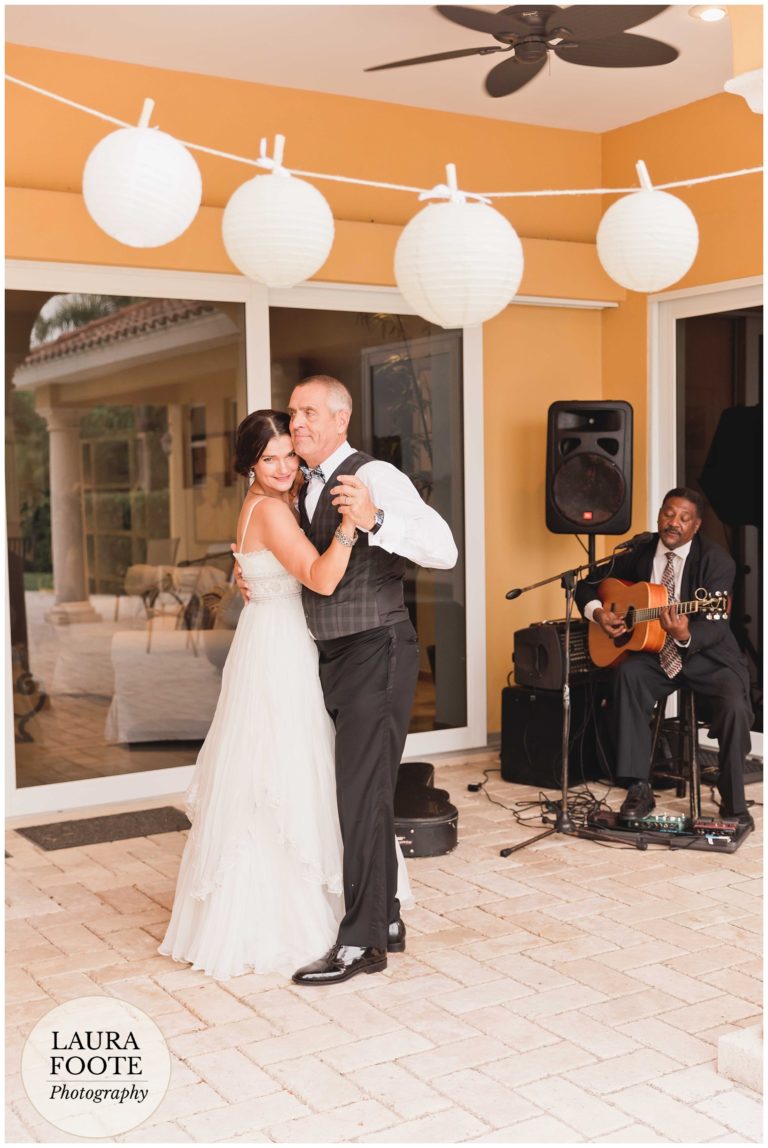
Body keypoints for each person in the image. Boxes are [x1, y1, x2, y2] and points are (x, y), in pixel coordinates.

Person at [159, 409, 411, 980]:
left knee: (289, 771)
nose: (281, 467)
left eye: (288, 456)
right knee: (289, 773)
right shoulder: (272, 508)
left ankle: (371, 913)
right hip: (280, 651)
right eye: (268, 458)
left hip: (274, 639)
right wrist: (353, 524)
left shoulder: (266, 503)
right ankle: (297, 918)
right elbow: (321, 579)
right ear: (249, 464)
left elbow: (264, 565)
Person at [238, 375, 458, 985]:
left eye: (309, 412)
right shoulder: (299, 486)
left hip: (377, 649)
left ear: (342, 417)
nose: (298, 421)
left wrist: (378, 516)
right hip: (328, 658)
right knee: (361, 794)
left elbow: (444, 550)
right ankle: (384, 919)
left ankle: (363, 945)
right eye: (293, 412)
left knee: (359, 795)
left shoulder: (375, 476)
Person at [576, 488, 753, 827]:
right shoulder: (639, 552)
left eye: (684, 518)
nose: (675, 523)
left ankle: (734, 802)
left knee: (733, 704)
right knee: (628, 677)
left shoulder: (717, 562)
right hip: (655, 653)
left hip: (707, 654)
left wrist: (685, 634)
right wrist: (599, 614)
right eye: (669, 514)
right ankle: (639, 787)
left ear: (696, 525)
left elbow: (717, 626)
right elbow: (587, 584)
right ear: (659, 515)